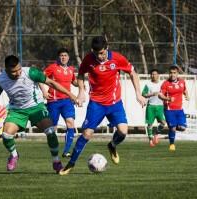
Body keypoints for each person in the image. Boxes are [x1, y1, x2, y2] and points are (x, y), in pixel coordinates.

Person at [59, 36, 146, 175]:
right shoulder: (88, 59)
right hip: (96, 104)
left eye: (102, 53)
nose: (99, 56)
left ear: (107, 48)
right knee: (87, 134)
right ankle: (70, 164)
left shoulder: (117, 58)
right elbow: (80, 74)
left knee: (123, 132)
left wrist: (138, 94)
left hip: (114, 103)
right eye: (96, 53)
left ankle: (112, 145)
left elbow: (132, 72)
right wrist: (81, 92)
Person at [0, 55, 79, 173]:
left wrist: (71, 95)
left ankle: (56, 161)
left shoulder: (31, 72)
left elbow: (51, 82)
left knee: (50, 131)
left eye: (19, 69)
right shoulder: (0, 80)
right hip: (17, 110)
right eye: (14, 71)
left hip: (36, 108)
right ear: (6, 69)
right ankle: (14, 155)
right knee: (6, 135)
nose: (18, 73)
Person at [40, 48, 78, 158]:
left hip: (67, 101)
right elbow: (40, 78)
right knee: (53, 128)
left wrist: (80, 84)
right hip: (54, 101)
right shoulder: (53, 67)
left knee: (70, 123)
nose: (63, 57)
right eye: (61, 55)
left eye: (65, 55)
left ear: (68, 57)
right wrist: (44, 91)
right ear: (58, 57)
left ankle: (66, 151)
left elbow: (74, 81)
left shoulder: (71, 69)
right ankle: (54, 150)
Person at [158, 65, 189, 151]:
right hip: (169, 109)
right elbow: (160, 95)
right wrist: (168, 98)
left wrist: (187, 95)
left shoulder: (182, 82)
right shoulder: (165, 83)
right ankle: (172, 144)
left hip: (179, 109)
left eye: (174, 73)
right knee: (173, 127)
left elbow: (184, 90)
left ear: (177, 73)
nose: (172, 75)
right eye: (171, 73)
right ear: (169, 73)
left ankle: (168, 134)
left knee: (183, 128)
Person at [142, 69, 166, 147]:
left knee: (163, 123)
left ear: (158, 75)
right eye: (152, 74)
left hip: (160, 106)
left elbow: (166, 93)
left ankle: (156, 134)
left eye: (155, 74)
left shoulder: (162, 84)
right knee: (150, 124)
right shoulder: (148, 84)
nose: (153, 76)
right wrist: (152, 94)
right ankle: (150, 141)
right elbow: (144, 94)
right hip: (151, 107)